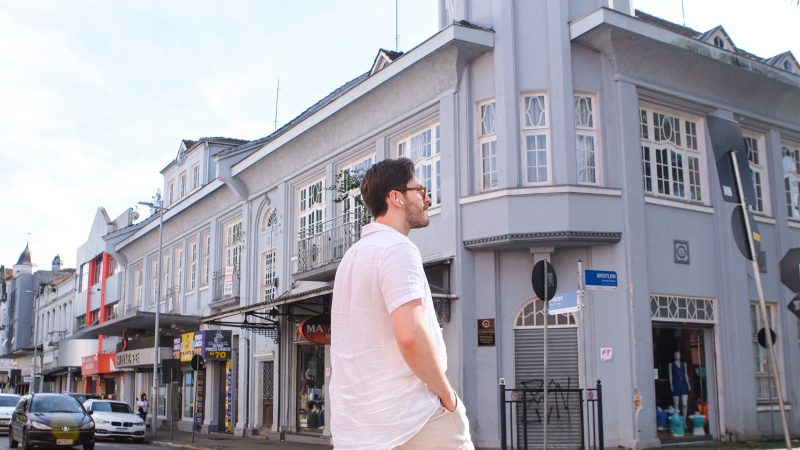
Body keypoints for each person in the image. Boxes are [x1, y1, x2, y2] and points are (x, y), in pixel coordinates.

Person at [330, 158, 474, 450]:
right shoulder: (397, 249)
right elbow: (410, 337)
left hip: (355, 427)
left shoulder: (352, 257)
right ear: (396, 197)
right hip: (410, 419)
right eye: (420, 190)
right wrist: (447, 397)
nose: (427, 199)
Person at [669, 351, 690, 421]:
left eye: (679, 354)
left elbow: (686, 374)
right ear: (674, 355)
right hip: (675, 385)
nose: (678, 355)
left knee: (684, 404)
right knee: (676, 404)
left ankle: (684, 421)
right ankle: (677, 421)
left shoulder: (684, 364)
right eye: (676, 354)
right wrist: (671, 385)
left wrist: (688, 384)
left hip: (683, 385)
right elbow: (670, 375)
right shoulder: (671, 364)